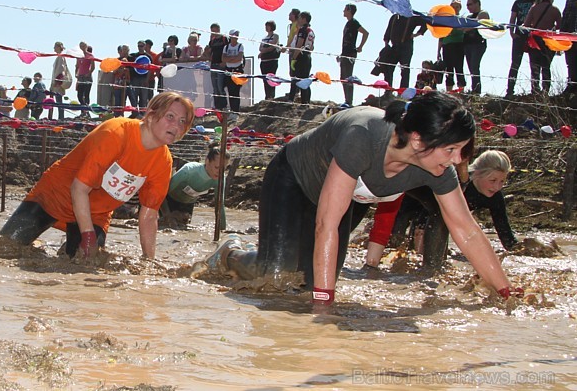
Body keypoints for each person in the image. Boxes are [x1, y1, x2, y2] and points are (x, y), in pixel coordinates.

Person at [204, 91, 522, 306]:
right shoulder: (364, 135)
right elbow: (326, 224)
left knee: (306, 288)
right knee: (275, 275)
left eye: (461, 151)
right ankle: (230, 252)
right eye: (451, 149)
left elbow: (465, 229)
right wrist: (324, 308)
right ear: (417, 138)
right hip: (294, 177)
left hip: (343, 200)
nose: (456, 160)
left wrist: (505, 291)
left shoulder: (437, 168)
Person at [0, 92, 195, 260]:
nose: (176, 125)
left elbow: (149, 215)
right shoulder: (116, 133)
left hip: (96, 213)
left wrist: (149, 261)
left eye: (182, 121)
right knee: (0, 250)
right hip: (55, 196)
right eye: (170, 116)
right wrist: (88, 236)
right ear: (151, 116)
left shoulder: (163, 161)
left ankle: (66, 249)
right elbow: (79, 188)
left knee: (86, 265)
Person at [383, 150, 521, 263]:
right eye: (492, 180)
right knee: (395, 243)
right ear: (477, 174)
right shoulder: (461, 183)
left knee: (435, 251)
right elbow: (428, 217)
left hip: (434, 212)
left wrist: (522, 251)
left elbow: (505, 232)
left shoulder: (496, 197)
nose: (497, 187)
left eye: (502, 181)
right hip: (414, 200)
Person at [160, 143, 230, 229]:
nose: (220, 172)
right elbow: (161, 193)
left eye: (223, 169)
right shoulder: (189, 170)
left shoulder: (220, 179)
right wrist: (167, 216)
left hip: (188, 204)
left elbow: (219, 205)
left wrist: (222, 229)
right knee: (165, 227)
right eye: (217, 167)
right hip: (168, 200)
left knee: (184, 229)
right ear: (207, 161)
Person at [524, 0, 562, 95]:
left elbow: (526, 24)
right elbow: (560, 26)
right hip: (548, 41)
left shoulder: (534, 8)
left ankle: (535, 90)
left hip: (534, 40)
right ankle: (545, 91)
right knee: (546, 67)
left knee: (534, 67)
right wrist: (551, 27)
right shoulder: (555, 10)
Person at [506, 0, 537, 98]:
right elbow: (512, 18)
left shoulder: (537, 2)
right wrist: (511, 33)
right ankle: (510, 90)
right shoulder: (518, 2)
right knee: (515, 63)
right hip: (519, 35)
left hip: (532, 36)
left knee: (534, 64)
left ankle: (535, 90)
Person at [381, 13, 427, 89]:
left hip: (406, 47)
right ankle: (388, 91)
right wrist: (386, 44)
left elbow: (426, 22)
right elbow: (388, 30)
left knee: (404, 69)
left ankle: (403, 91)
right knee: (388, 68)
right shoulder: (394, 17)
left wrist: (417, 34)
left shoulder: (412, 17)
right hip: (394, 47)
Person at [337, 4, 369, 106]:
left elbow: (365, 33)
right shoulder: (348, 23)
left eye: (345, 10)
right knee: (343, 77)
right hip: (345, 52)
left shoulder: (354, 22)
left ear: (349, 11)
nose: (343, 11)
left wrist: (360, 46)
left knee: (348, 77)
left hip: (350, 53)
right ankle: (347, 100)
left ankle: (349, 101)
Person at [437, 0, 466, 92]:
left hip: (458, 45)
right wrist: (438, 51)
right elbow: (441, 36)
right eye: (453, 6)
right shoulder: (445, 21)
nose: (455, 8)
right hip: (447, 46)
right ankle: (449, 91)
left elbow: (463, 31)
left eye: (457, 6)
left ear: (460, 8)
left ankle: (461, 91)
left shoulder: (462, 20)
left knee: (459, 68)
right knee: (448, 69)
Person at [287, 11, 315, 104]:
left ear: (304, 19)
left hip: (301, 56)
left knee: (295, 78)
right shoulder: (311, 31)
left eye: (299, 18)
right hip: (308, 56)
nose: (298, 20)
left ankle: (291, 99)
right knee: (305, 79)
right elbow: (312, 47)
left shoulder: (303, 30)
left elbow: (299, 45)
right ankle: (305, 101)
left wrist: (294, 58)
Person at [463, 0, 490, 94]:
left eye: (470, 4)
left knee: (475, 66)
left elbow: (477, 23)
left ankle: (476, 90)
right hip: (467, 44)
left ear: (477, 3)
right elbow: (462, 27)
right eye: (467, 5)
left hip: (478, 43)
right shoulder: (468, 17)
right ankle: (474, 88)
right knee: (471, 68)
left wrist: (466, 27)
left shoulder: (483, 13)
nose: (468, 7)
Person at [203, 23, 229, 110]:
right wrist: (206, 51)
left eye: (214, 30)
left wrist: (224, 62)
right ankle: (217, 106)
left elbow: (228, 50)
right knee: (215, 87)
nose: (213, 32)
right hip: (213, 64)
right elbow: (209, 54)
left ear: (218, 29)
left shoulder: (224, 39)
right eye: (212, 31)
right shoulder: (212, 41)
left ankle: (224, 106)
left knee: (220, 86)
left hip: (221, 65)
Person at [222, 29, 245, 119]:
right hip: (228, 71)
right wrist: (232, 58)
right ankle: (231, 110)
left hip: (237, 71)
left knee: (236, 91)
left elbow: (239, 58)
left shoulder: (240, 46)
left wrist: (230, 58)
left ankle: (236, 111)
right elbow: (223, 59)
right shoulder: (226, 47)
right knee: (229, 91)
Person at [562, 0, 577, 95]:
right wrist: (561, 35)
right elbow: (565, 16)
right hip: (569, 37)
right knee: (570, 62)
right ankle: (571, 85)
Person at [128, 40, 152, 117]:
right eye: (138, 46)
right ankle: (135, 113)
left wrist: (147, 80)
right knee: (134, 97)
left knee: (144, 98)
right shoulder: (133, 56)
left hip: (144, 79)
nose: (140, 47)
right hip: (135, 79)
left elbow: (150, 69)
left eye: (141, 46)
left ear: (145, 46)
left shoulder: (148, 57)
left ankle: (143, 114)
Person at [258, 20, 280, 100]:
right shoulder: (264, 38)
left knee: (272, 78)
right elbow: (260, 48)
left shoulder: (275, 36)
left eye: (268, 26)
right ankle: (267, 96)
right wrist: (264, 50)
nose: (266, 27)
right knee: (265, 79)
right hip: (264, 61)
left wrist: (264, 50)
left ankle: (272, 96)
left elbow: (272, 46)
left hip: (272, 60)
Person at [50, 41, 71, 120]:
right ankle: (60, 116)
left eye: (55, 46)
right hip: (57, 81)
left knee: (59, 101)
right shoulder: (59, 57)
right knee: (58, 100)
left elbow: (60, 70)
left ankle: (61, 117)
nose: (54, 48)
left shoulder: (61, 57)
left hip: (58, 82)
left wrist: (57, 81)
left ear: (58, 47)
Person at [75, 42, 95, 118]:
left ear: (86, 46)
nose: (82, 47)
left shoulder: (90, 55)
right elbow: (77, 65)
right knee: (79, 95)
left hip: (87, 77)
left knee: (86, 94)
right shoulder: (78, 56)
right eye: (81, 46)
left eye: (83, 46)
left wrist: (89, 72)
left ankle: (86, 111)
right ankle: (83, 110)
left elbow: (93, 66)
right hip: (80, 76)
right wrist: (76, 73)